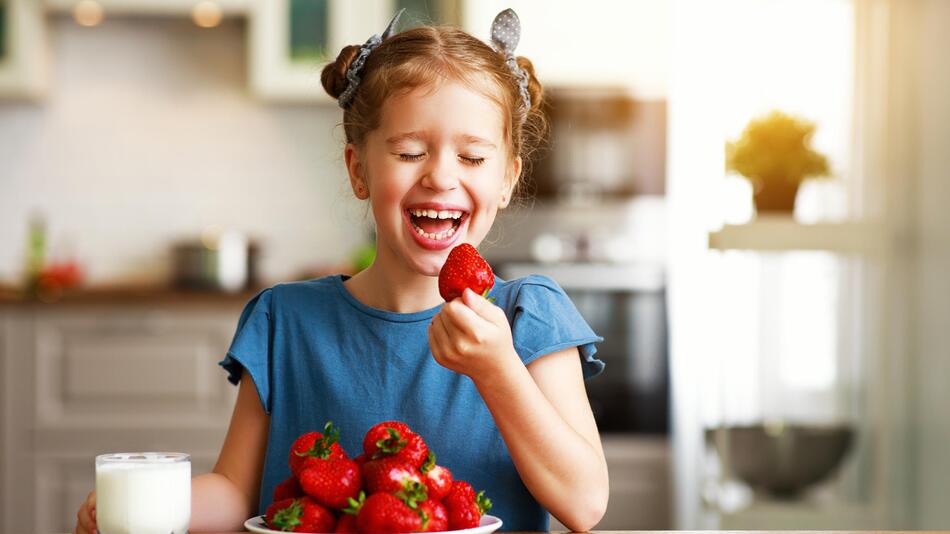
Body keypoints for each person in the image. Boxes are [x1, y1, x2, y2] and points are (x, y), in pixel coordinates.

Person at [74, 9, 608, 533]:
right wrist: (143, 502)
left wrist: (498, 371)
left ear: (507, 180)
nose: (441, 176)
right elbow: (237, 491)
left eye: (472, 158)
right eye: (409, 152)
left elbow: (584, 505)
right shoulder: (285, 320)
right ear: (359, 170)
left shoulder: (528, 316)